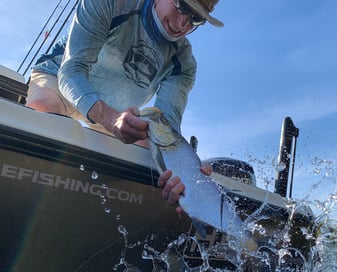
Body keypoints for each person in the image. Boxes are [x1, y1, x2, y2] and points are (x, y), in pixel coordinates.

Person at [25, 0, 223, 212]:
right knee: (43, 107)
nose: (183, 23)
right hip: (60, 81)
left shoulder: (184, 63)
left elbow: (167, 126)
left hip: (117, 115)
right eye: (181, 6)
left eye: (196, 18)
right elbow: (72, 70)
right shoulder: (110, 3)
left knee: (153, 157)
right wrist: (110, 119)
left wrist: (184, 172)